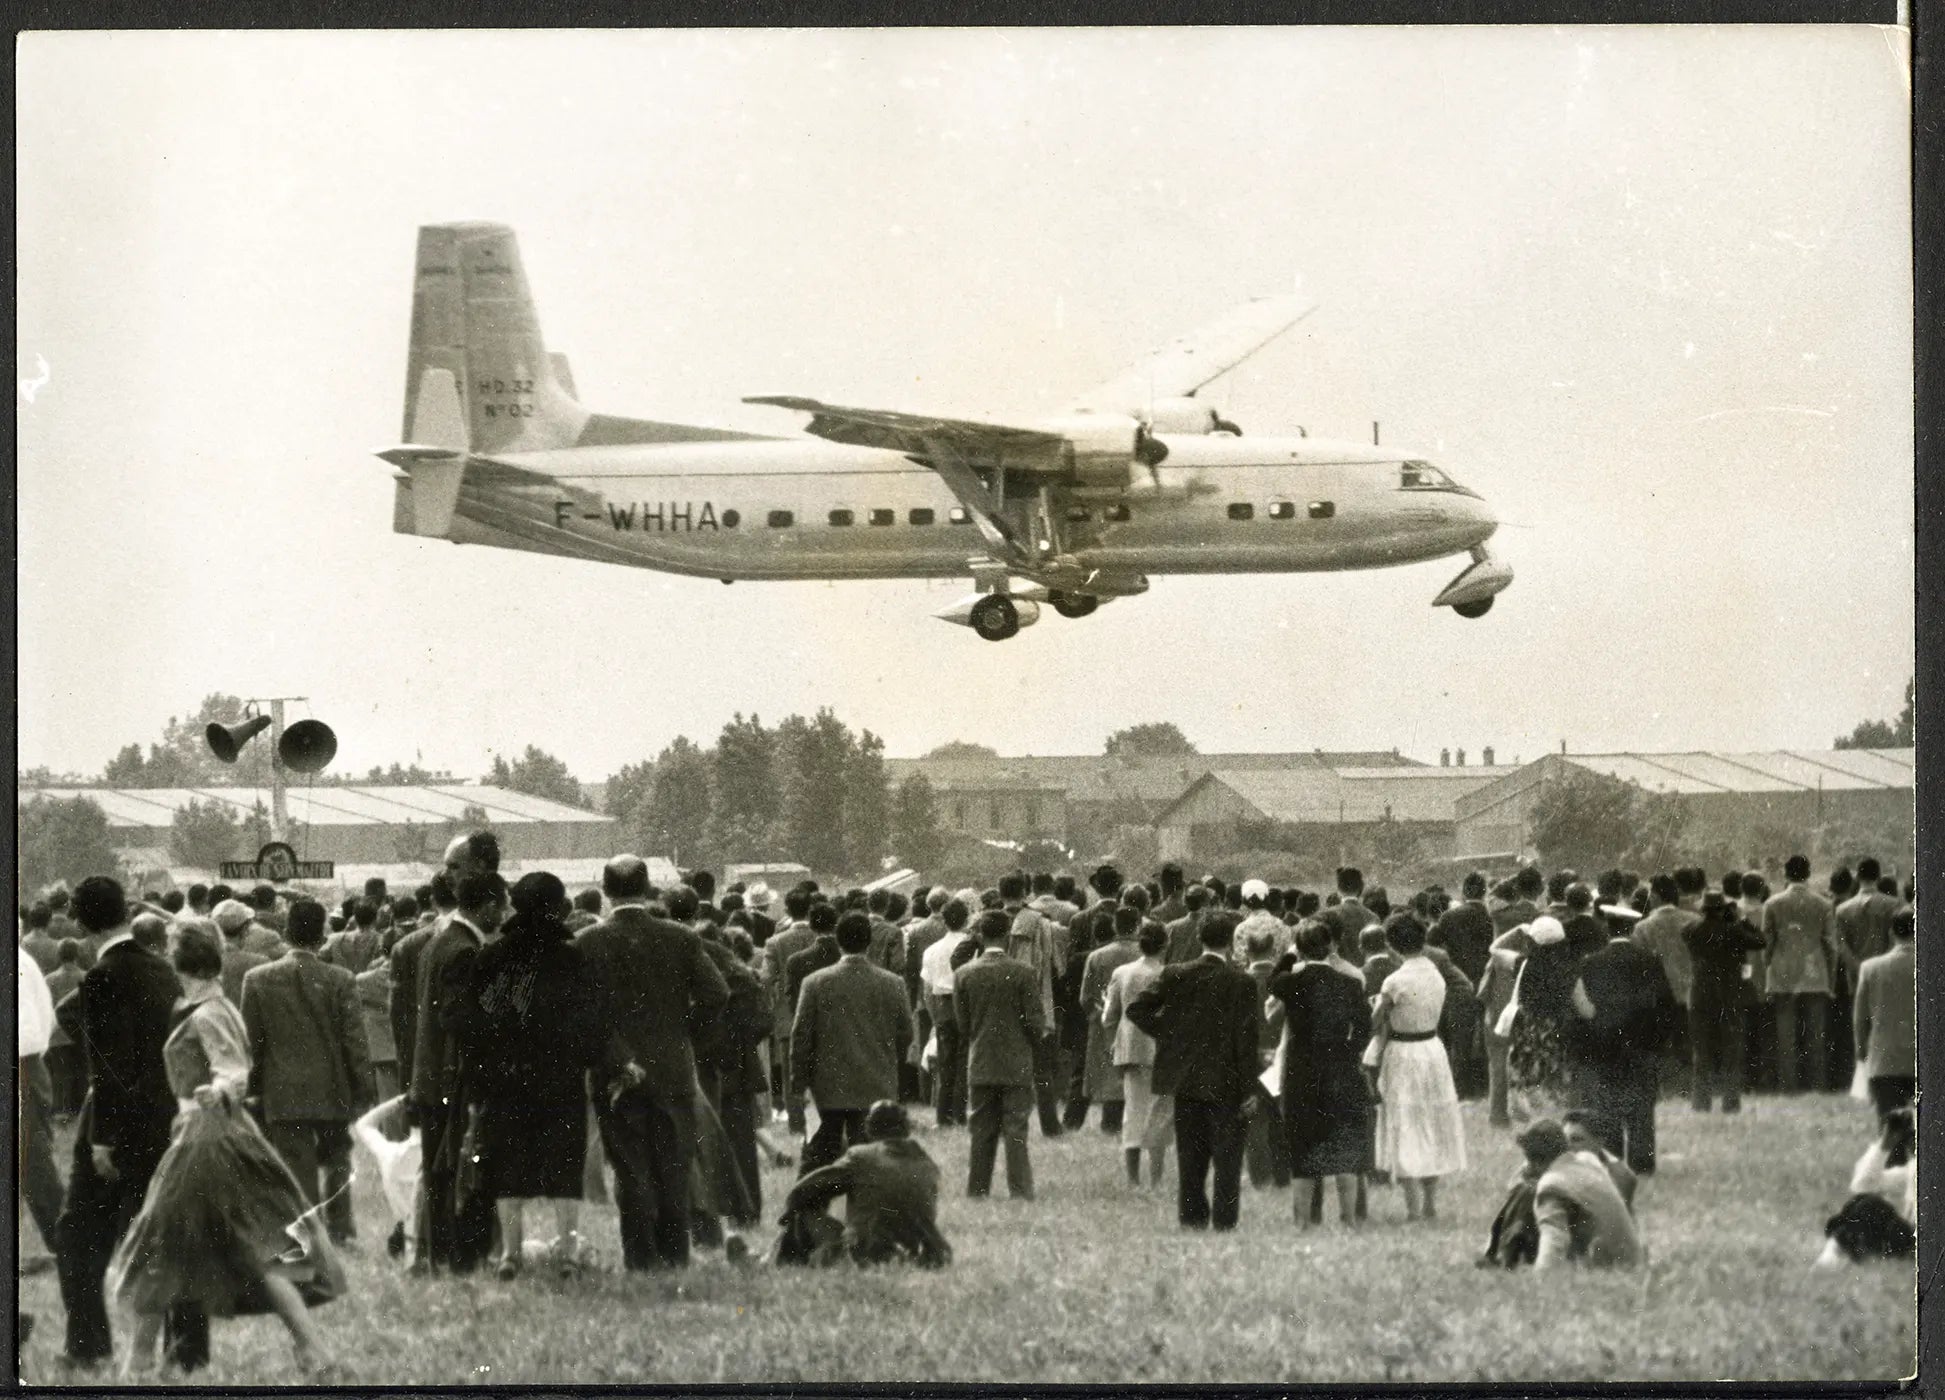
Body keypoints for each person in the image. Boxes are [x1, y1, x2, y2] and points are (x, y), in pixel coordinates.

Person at [105, 924, 346, 1378]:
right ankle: (313, 1351)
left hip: (205, 1137)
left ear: (179, 963)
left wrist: (219, 1090)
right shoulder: (211, 1005)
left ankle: (137, 1367)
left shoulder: (208, 1012)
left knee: (163, 1243)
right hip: (224, 1133)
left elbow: (233, 1069)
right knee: (261, 1244)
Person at [55, 881, 210, 1372]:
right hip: (168, 1121)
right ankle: (187, 1351)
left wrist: (103, 1138)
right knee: (171, 1234)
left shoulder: (102, 976)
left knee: (77, 1235)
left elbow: (108, 1065)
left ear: (80, 925)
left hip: (118, 1126)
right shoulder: (164, 970)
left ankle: (87, 1345)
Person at [578, 855, 728, 1270]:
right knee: (673, 1167)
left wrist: (615, 1057)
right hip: (673, 1069)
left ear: (606, 891)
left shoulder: (588, 943)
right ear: (646, 890)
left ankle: (641, 1258)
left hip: (615, 1075)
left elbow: (580, 1013)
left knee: (630, 1170)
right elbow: (716, 993)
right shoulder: (680, 938)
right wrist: (685, 1035)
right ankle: (675, 1253)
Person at [457, 872, 605, 1279]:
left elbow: (472, 1025)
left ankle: (509, 1254)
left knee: (507, 1169)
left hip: (506, 1080)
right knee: (564, 1168)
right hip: (561, 1079)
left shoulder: (492, 956)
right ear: (558, 907)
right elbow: (592, 1022)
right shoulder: (572, 957)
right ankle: (570, 1255)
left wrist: (480, 1079)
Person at [238, 899, 371, 1247]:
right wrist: (363, 1089)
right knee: (338, 1160)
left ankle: (306, 1235)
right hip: (332, 1087)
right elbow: (354, 1040)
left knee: (297, 1168)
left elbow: (252, 1042)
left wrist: (252, 1090)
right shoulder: (340, 980)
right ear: (323, 933)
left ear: (286, 931)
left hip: (282, 1090)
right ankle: (340, 1230)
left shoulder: (257, 979)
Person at [1127, 910, 1258, 1232]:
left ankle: (1192, 1218)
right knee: (1228, 1157)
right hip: (1227, 1079)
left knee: (1190, 1155)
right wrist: (1250, 1088)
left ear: (1199, 938)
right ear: (1230, 942)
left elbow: (1137, 1008)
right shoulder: (1242, 981)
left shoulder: (1175, 973)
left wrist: (1170, 1035)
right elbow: (1247, 1038)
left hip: (1185, 1077)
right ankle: (1225, 1222)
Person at [410, 870, 508, 1274]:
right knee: (462, 1171)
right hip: (458, 1076)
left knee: (441, 1172)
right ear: (486, 906)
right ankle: (465, 1258)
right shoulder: (465, 951)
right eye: (501, 905)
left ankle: (441, 1257)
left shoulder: (438, 941)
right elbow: (460, 1018)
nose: (504, 914)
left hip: (433, 1073)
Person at [792, 911, 915, 1175]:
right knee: (873, 1165)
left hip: (828, 1085)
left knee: (819, 1163)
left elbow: (801, 1036)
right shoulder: (893, 983)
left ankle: (805, 1213)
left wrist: (798, 1083)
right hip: (876, 1082)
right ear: (869, 942)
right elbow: (906, 1033)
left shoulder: (814, 982)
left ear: (838, 941)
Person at [1269, 918, 1373, 1228]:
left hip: (1301, 1070)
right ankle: (1348, 1219)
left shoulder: (1292, 983)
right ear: (1330, 947)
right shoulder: (1350, 984)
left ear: (1300, 950)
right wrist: (1349, 1050)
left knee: (1303, 1149)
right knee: (1344, 1148)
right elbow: (1365, 1028)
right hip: (1341, 1068)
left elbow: (1273, 980)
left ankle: (1302, 1222)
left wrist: (1289, 954)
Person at [1363, 913, 1467, 1221]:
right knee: (1431, 1120)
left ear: (1392, 946)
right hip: (1433, 1050)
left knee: (1405, 1122)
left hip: (1404, 1052)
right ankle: (1430, 1201)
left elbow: (1375, 1021)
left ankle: (1412, 1208)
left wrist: (1375, 1008)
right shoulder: (1435, 972)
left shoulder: (1394, 981)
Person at [773, 1100, 951, 1268]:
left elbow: (803, 1189)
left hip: (868, 1252)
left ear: (868, 1128)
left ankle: (783, 1259)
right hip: (921, 1250)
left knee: (804, 1213)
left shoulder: (860, 1157)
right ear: (906, 1129)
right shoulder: (926, 1162)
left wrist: (792, 1214)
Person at [1571, 915, 1678, 1175]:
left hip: (1605, 1042)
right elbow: (1666, 1004)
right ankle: (1642, 1162)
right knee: (1642, 1103)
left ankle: (1613, 1159)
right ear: (1632, 930)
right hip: (1642, 1041)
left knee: (1607, 1104)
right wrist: (1662, 1040)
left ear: (1607, 929)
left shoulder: (1591, 962)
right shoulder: (1650, 960)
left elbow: (1582, 1009)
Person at [954, 909, 1046, 1200]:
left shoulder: (963, 974)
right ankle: (1021, 1190)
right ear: (1008, 936)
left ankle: (977, 1189)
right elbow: (1035, 1022)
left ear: (979, 935)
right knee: (1016, 1128)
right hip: (1016, 1059)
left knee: (981, 1129)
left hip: (980, 1058)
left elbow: (963, 1024)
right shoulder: (1024, 973)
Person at [1517, 1119, 1643, 1269]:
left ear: (1535, 1162)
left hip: (1604, 1274)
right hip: (1634, 1264)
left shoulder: (1552, 1184)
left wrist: (1538, 1282)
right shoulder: (1589, 1165)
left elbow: (1554, 1241)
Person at [1102, 921, 1173, 1186]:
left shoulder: (1122, 973)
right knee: (1160, 1111)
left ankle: (1133, 1178)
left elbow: (1109, 1014)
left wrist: (1113, 1042)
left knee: (1133, 1110)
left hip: (1130, 1045)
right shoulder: (1168, 973)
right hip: (1161, 1047)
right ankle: (1155, 1177)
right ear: (1165, 945)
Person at [1682, 891, 1765, 1112]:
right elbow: (1760, 941)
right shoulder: (1734, 931)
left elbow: (1690, 932)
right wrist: (1742, 920)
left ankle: (1701, 1101)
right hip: (1729, 996)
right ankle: (1731, 1101)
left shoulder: (1690, 930)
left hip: (1700, 996)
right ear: (1721, 909)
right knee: (1732, 1051)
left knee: (1701, 1052)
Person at [1499, 915, 1586, 1123]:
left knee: (1528, 1096)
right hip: (1558, 1036)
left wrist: (1517, 930)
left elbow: (1494, 950)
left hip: (1527, 1040)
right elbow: (1585, 1010)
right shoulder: (1571, 970)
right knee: (1557, 1095)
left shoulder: (1522, 964)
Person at [1763, 854, 1837, 1093]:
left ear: (1785, 874)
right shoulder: (1824, 904)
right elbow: (1831, 945)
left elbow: (1768, 943)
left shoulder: (1773, 904)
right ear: (1809, 874)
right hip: (1814, 974)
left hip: (1782, 975)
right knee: (1816, 1037)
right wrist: (1831, 979)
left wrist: (1769, 970)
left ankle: (1789, 1088)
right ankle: (1817, 1086)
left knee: (1786, 1038)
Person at [19, 943, 65, 1270]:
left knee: (33, 1161)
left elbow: (31, 1032)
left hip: (21, 1067)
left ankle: (67, 1242)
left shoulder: (17, 963)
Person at [1080, 902, 1144, 1138]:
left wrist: (1097, 1018)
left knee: (1109, 1078)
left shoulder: (1097, 956)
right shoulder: (1146, 955)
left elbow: (1086, 997)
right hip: (1140, 1023)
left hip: (1105, 1022)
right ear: (1138, 925)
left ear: (1115, 926)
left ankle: (1110, 1125)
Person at [1852, 908, 1916, 1120]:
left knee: (1891, 1135)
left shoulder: (1870, 968)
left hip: (1884, 1060)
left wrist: (1862, 1054)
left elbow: (1860, 1019)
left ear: (1891, 933)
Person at [920, 898, 973, 1127]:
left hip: (942, 1005)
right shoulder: (971, 947)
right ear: (967, 918)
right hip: (966, 1004)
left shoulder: (932, 950)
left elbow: (927, 989)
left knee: (945, 1063)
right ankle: (960, 1113)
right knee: (963, 1062)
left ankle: (943, 1115)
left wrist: (934, 1017)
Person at [43, 938, 88, 1117]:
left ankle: (61, 1108)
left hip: (57, 1032)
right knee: (81, 1070)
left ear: (59, 956)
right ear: (77, 955)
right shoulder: (86, 976)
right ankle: (80, 1108)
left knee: (60, 1073)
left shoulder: (49, 979)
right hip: (81, 1032)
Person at [321, 898, 382, 977]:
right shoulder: (381, 940)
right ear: (375, 919)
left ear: (354, 918)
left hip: (341, 985)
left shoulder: (334, 939)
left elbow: (320, 960)